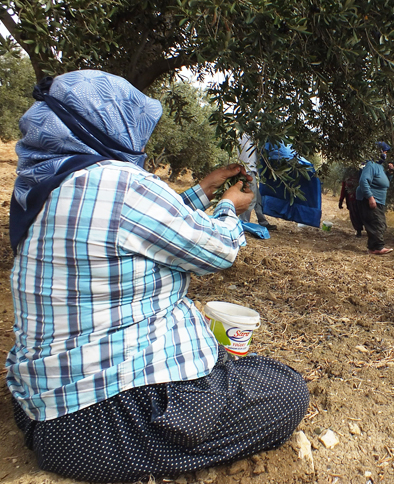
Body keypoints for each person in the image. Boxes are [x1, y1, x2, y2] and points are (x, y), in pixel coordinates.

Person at [6, 70, 309, 483]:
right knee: (288, 392)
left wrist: (202, 188)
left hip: (42, 408)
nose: (142, 143)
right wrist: (227, 207)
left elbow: (139, 229)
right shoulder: (120, 183)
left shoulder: (45, 185)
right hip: (104, 421)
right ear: (103, 124)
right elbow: (216, 250)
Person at [356, 141, 394, 255]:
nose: (385, 154)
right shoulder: (371, 165)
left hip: (378, 199)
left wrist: (390, 172)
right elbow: (363, 181)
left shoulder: (379, 167)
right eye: (385, 152)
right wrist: (370, 197)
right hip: (370, 199)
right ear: (379, 152)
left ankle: (373, 248)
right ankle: (377, 247)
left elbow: (384, 183)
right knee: (378, 223)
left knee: (376, 223)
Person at [236, 135, 277, 230]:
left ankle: (263, 222)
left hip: (249, 171)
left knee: (258, 199)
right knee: (251, 199)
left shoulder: (243, 138)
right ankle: (243, 223)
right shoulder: (246, 138)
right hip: (248, 171)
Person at [338, 166, 363, 237]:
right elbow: (344, 189)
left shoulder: (361, 172)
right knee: (355, 215)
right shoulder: (347, 176)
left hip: (360, 198)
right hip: (352, 199)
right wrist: (341, 200)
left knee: (360, 214)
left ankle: (363, 231)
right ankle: (359, 231)